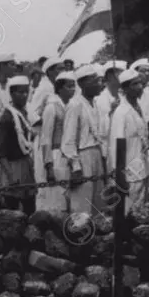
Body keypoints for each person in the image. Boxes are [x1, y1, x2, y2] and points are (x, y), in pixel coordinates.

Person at [60, 64, 105, 216]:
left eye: (99, 81)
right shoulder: (75, 105)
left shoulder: (96, 104)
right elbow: (68, 140)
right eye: (95, 81)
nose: (100, 85)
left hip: (96, 154)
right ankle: (79, 235)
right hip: (82, 156)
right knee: (82, 203)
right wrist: (75, 166)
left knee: (98, 203)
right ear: (82, 84)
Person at [108, 68, 149, 214]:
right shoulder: (121, 113)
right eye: (134, 84)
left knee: (141, 213)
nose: (140, 87)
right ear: (125, 88)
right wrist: (120, 176)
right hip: (128, 173)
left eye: (140, 83)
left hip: (142, 169)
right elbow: (116, 146)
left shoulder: (139, 108)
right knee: (128, 212)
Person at [0, 75, 36, 213]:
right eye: (20, 92)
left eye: (26, 92)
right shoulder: (6, 119)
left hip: (25, 164)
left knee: (30, 206)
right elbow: (0, 152)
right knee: (12, 209)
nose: (24, 96)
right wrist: (11, 176)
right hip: (12, 167)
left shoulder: (22, 113)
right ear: (12, 94)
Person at [37, 71, 75, 216]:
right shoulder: (51, 107)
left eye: (74, 87)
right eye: (69, 87)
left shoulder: (71, 106)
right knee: (57, 197)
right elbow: (46, 138)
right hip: (56, 155)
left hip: (69, 155)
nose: (72, 90)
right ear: (60, 89)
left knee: (69, 196)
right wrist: (49, 166)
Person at [27, 57, 61, 189]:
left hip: (56, 138)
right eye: (59, 68)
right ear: (50, 71)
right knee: (44, 177)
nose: (62, 71)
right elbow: (31, 112)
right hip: (44, 137)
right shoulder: (44, 88)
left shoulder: (55, 86)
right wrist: (46, 120)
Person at [95, 60, 125, 162]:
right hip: (110, 147)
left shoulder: (122, 96)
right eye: (120, 73)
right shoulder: (101, 99)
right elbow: (101, 130)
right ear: (111, 76)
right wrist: (111, 112)